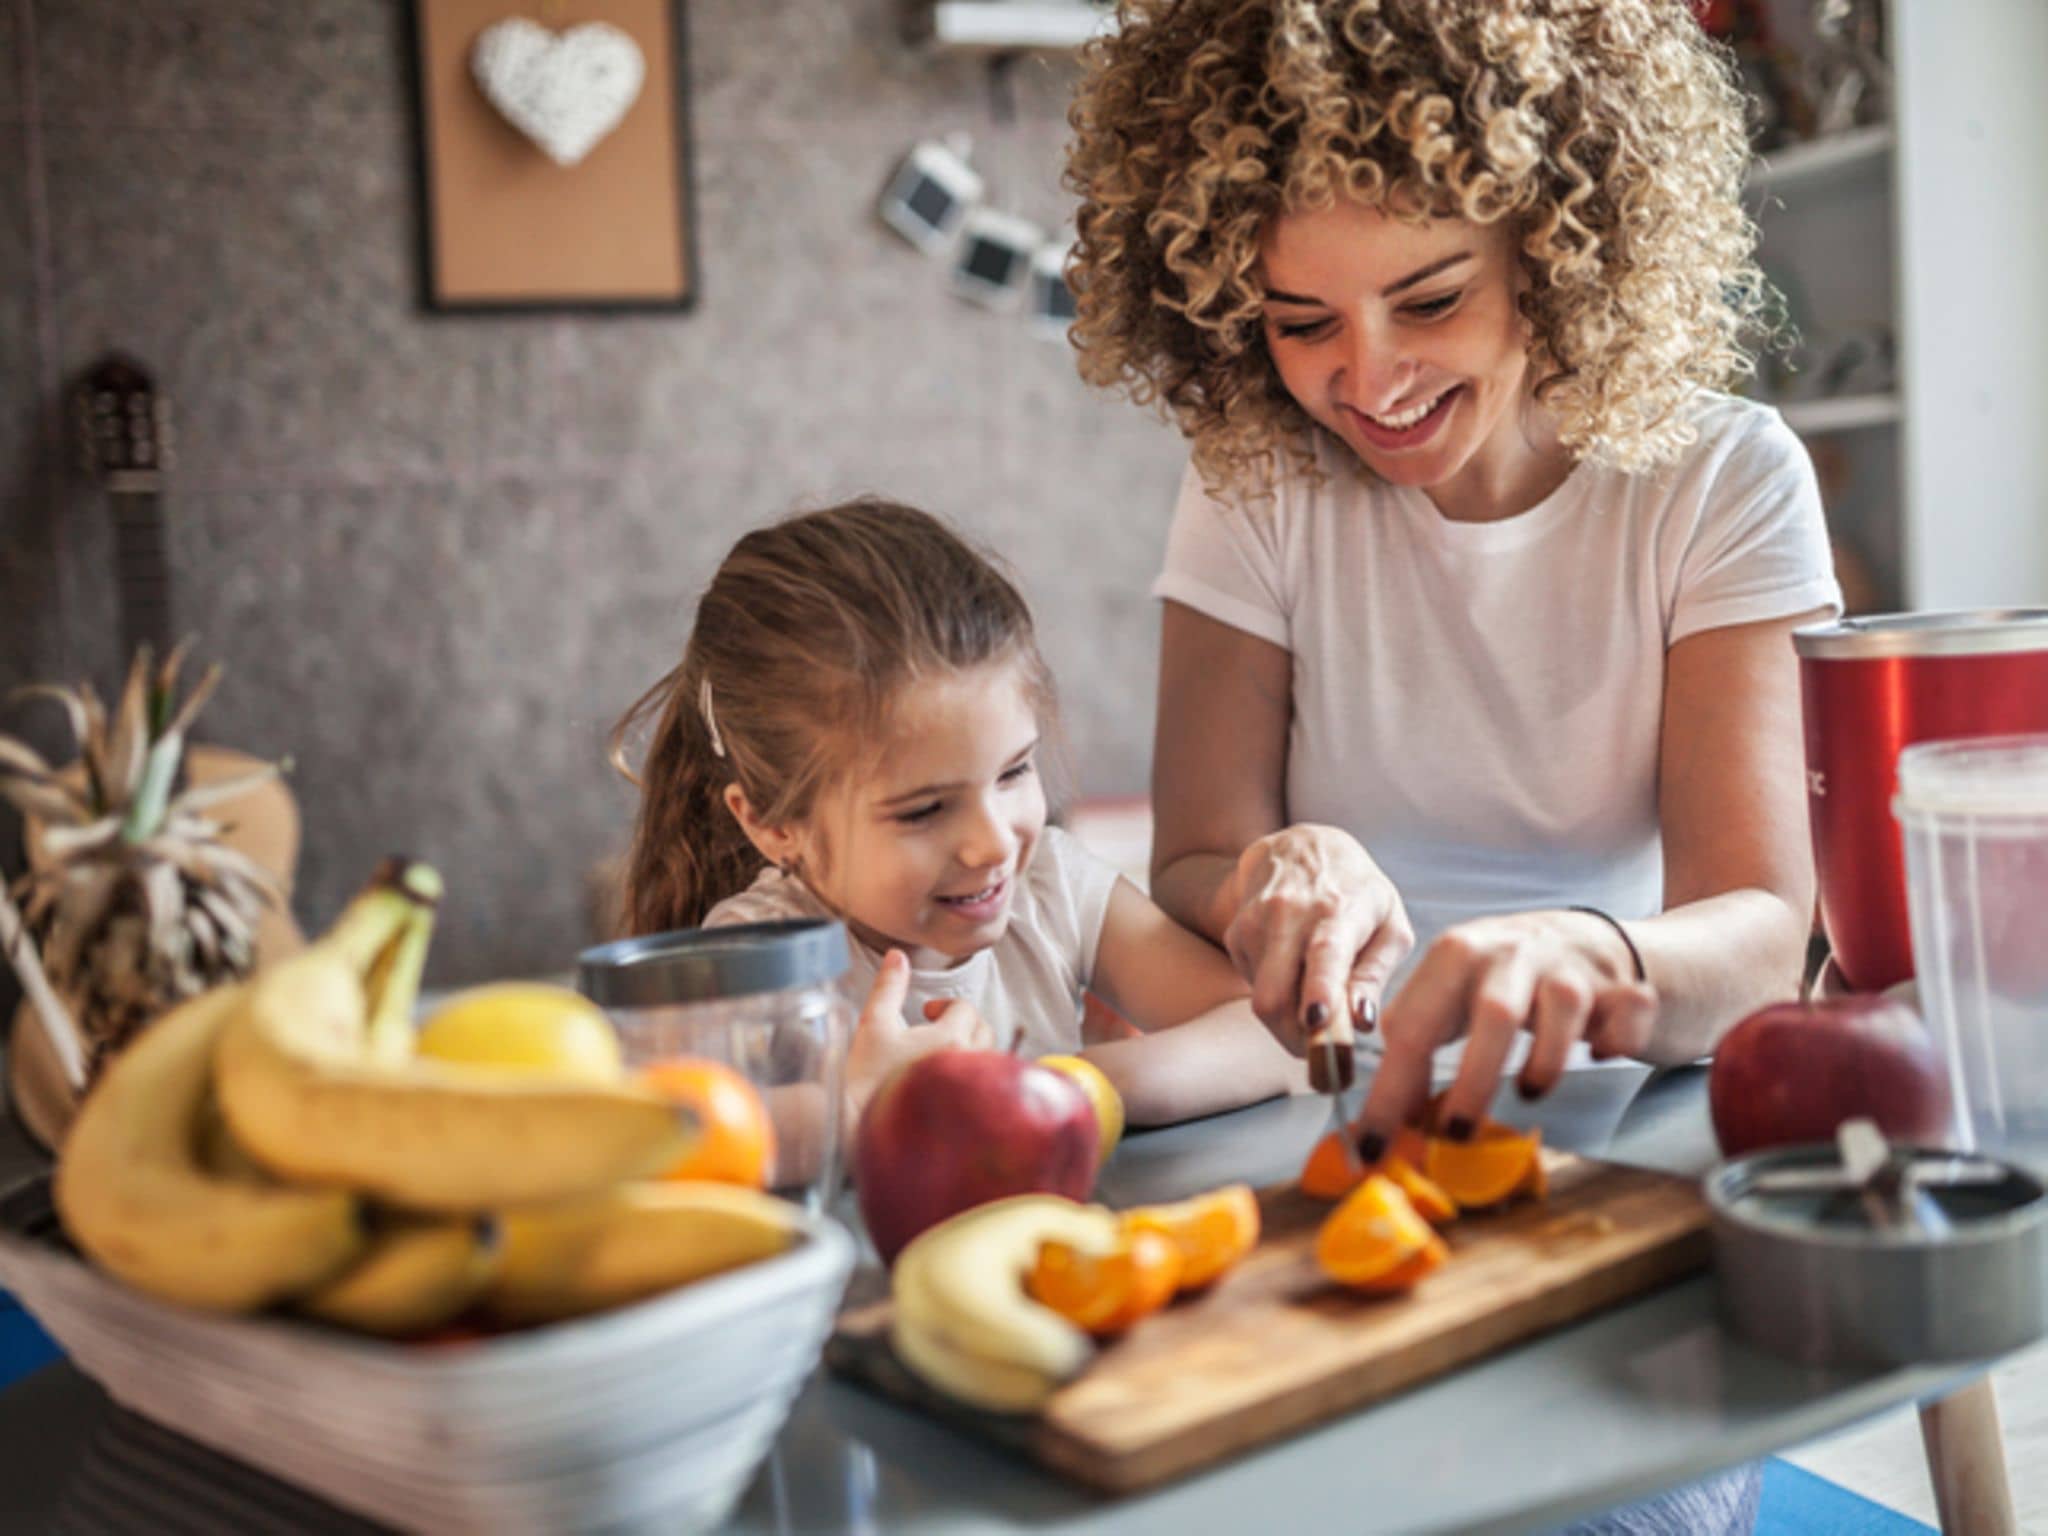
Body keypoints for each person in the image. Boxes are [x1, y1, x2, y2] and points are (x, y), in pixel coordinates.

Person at [610, 497, 1303, 1142]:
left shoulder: (1053, 890)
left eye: (1013, 773)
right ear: (770, 825)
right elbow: (673, 1139)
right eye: (924, 811)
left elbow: (1277, 1038)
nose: (993, 842)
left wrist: (1049, 1091)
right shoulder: (759, 953)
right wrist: (866, 1104)